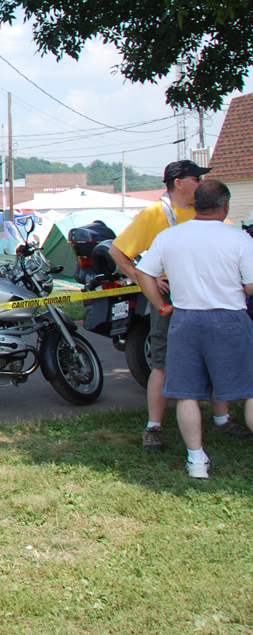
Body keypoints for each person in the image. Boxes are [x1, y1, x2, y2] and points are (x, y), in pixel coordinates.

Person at [109, 159, 250, 451]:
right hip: (172, 301)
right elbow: (118, 251)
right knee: (162, 363)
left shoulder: (206, 215)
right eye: (195, 178)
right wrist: (147, 281)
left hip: (205, 303)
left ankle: (222, 419)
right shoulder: (155, 214)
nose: (200, 183)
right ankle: (154, 427)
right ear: (178, 183)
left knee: (213, 363)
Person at [135, 180, 253, 478]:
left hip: (185, 319)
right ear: (224, 205)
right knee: (250, 390)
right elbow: (251, 285)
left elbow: (143, 272)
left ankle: (197, 461)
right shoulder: (239, 238)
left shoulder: (169, 236)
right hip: (230, 318)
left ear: (193, 204)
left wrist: (161, 306)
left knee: (187, 393)